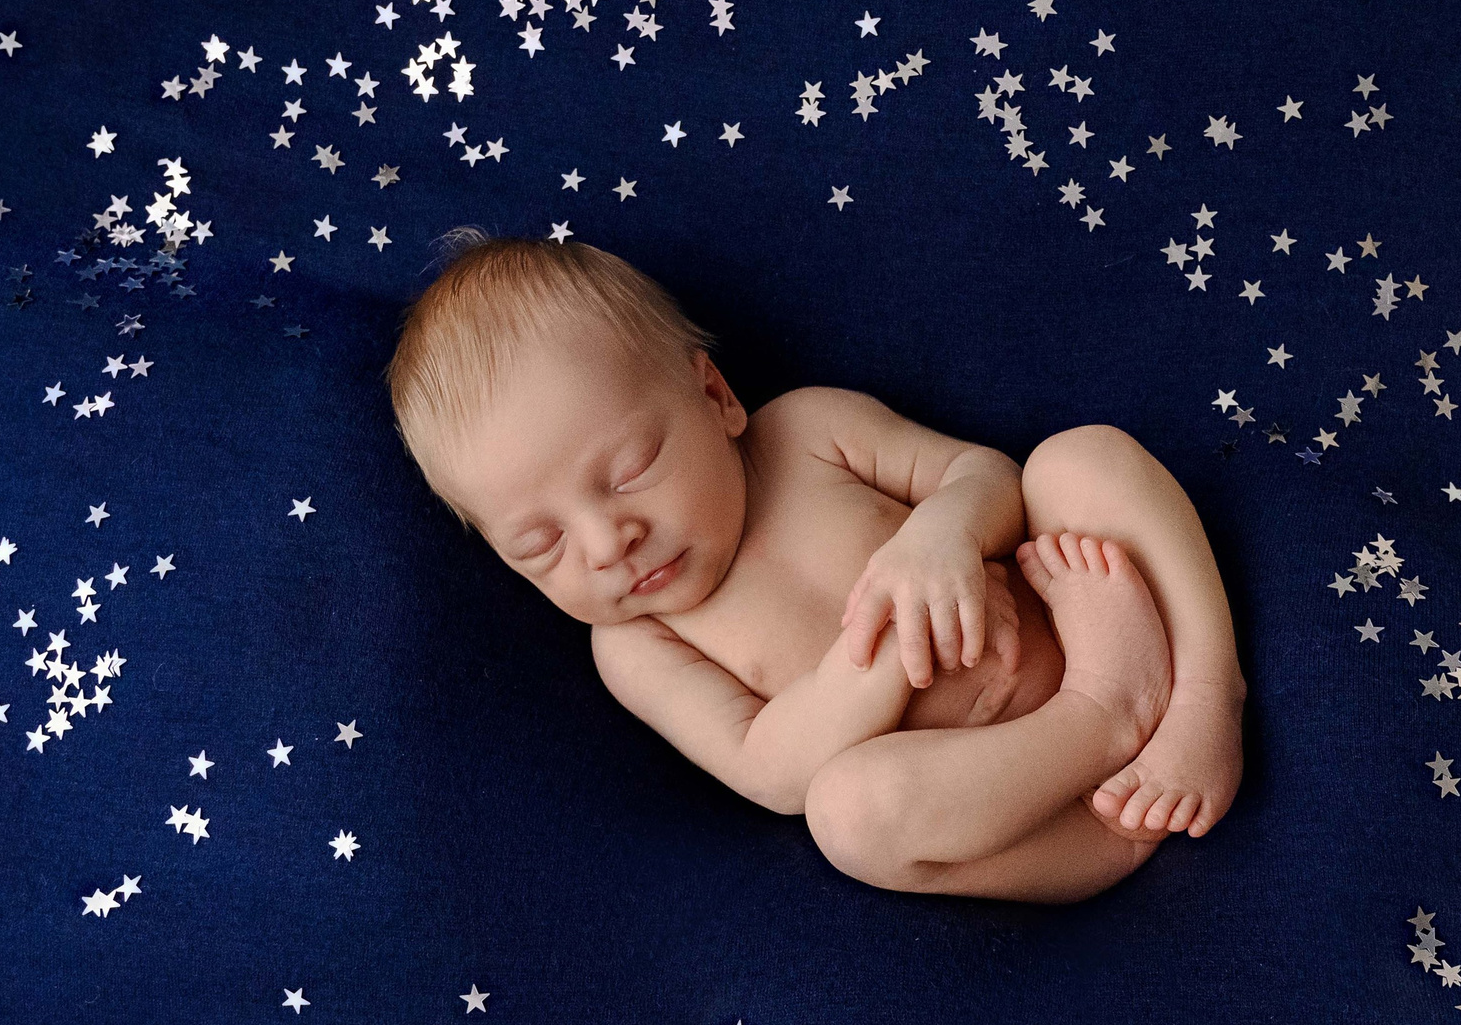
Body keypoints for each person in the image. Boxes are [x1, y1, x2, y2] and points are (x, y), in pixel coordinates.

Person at [387, 231, 1245, 903]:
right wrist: (881, 642)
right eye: (541, 546)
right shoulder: (637, 645)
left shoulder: (807, 431)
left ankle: (1206, 694)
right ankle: (1111, 726)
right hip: (1034, 803)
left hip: (1072, 602)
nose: (610, 542)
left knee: (1076, 460)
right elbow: (770, 768)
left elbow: (986, 475)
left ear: (715, 397)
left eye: (626, 473)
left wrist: (939, 537)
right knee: (847, 815)